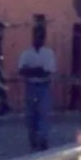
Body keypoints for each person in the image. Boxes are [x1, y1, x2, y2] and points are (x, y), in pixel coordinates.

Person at [18, 22, 58, 151]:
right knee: (31, 115)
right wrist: (38, 70)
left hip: (44, 87)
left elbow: (47, 72)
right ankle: (33, 140)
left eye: (41, 36)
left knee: (43, 114)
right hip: (30, 87)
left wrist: (32, 70)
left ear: (44, 37)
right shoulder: (26, 53)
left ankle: (42, 140)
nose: (38, 38)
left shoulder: (48, 53)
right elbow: (22, 71)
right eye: (36, 35)